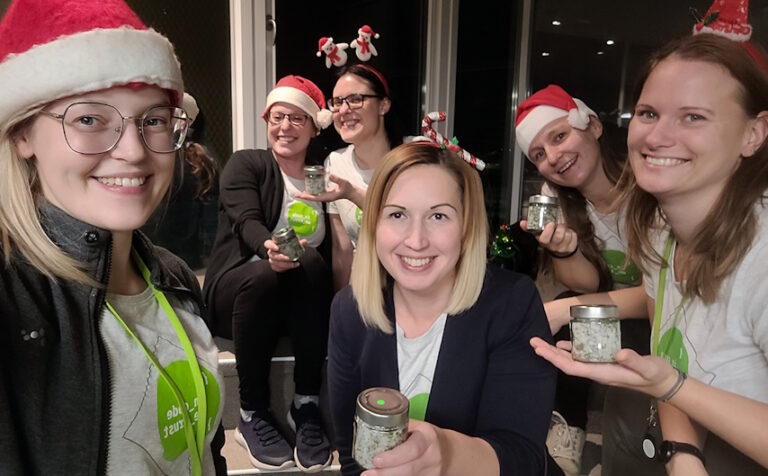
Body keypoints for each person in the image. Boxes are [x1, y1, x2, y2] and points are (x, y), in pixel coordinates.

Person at [0, 0, 226, 474]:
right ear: (23, 135)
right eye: (88, 119)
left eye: (153, 120)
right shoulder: (16, 301)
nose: (133, 151)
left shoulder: (175, 277)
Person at [531, 33, 768, 475]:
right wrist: (684, 452)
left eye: (693, 116)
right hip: (659, 430)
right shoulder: (661, 226)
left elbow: (671, 374)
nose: (658, 136)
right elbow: (671, 343)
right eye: (649, 113)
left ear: (753, 134)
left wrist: (672, 390)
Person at [328, 142, 557, 475]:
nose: (416, 240)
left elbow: (522, 457)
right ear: (374, 223)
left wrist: (447, 455)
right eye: (397, 214)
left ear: (466, 226)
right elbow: (353, 453)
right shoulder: (349, 312)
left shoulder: (513, 305)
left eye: (438, 216)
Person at [202, 75, 335, 472]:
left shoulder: (322, 178)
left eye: (297, 118)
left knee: (311, 261)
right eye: (278, 117)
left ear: (314, 126)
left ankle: (306, 406)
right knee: (265, 274)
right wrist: (267, 248)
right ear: (266, 122)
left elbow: (336, 249)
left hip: (292, 303)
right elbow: (245, 219)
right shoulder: (248, 163)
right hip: (239, 291)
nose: (285, 127)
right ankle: (252, 411)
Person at [516, 85, 649, 475]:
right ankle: (568, 427)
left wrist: (562, 308)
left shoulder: (648, 186)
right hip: (611, 309)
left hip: (663, 314)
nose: (553, 158)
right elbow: (586, 285)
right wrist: (565, 250)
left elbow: (657, 297)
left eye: (559, 137)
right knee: (564, 317)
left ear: (592, 125)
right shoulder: (557, 197)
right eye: (538, 154)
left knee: (562, 311)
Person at [296, 64, 403, 291]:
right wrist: (340, 307)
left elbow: (409, 227)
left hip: (411, 287)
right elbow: (342, 249)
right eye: (336, 102)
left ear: (383, 105)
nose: (343, 111)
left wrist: (353, 194)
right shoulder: (336, 163)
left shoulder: (412, 157)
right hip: (365, 292)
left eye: (355, 99)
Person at [143, 93, 219, 269]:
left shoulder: (200, 160)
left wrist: (210, 256)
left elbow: (210, 216)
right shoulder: (151, 156)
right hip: (156, 254)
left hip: (186, 259)